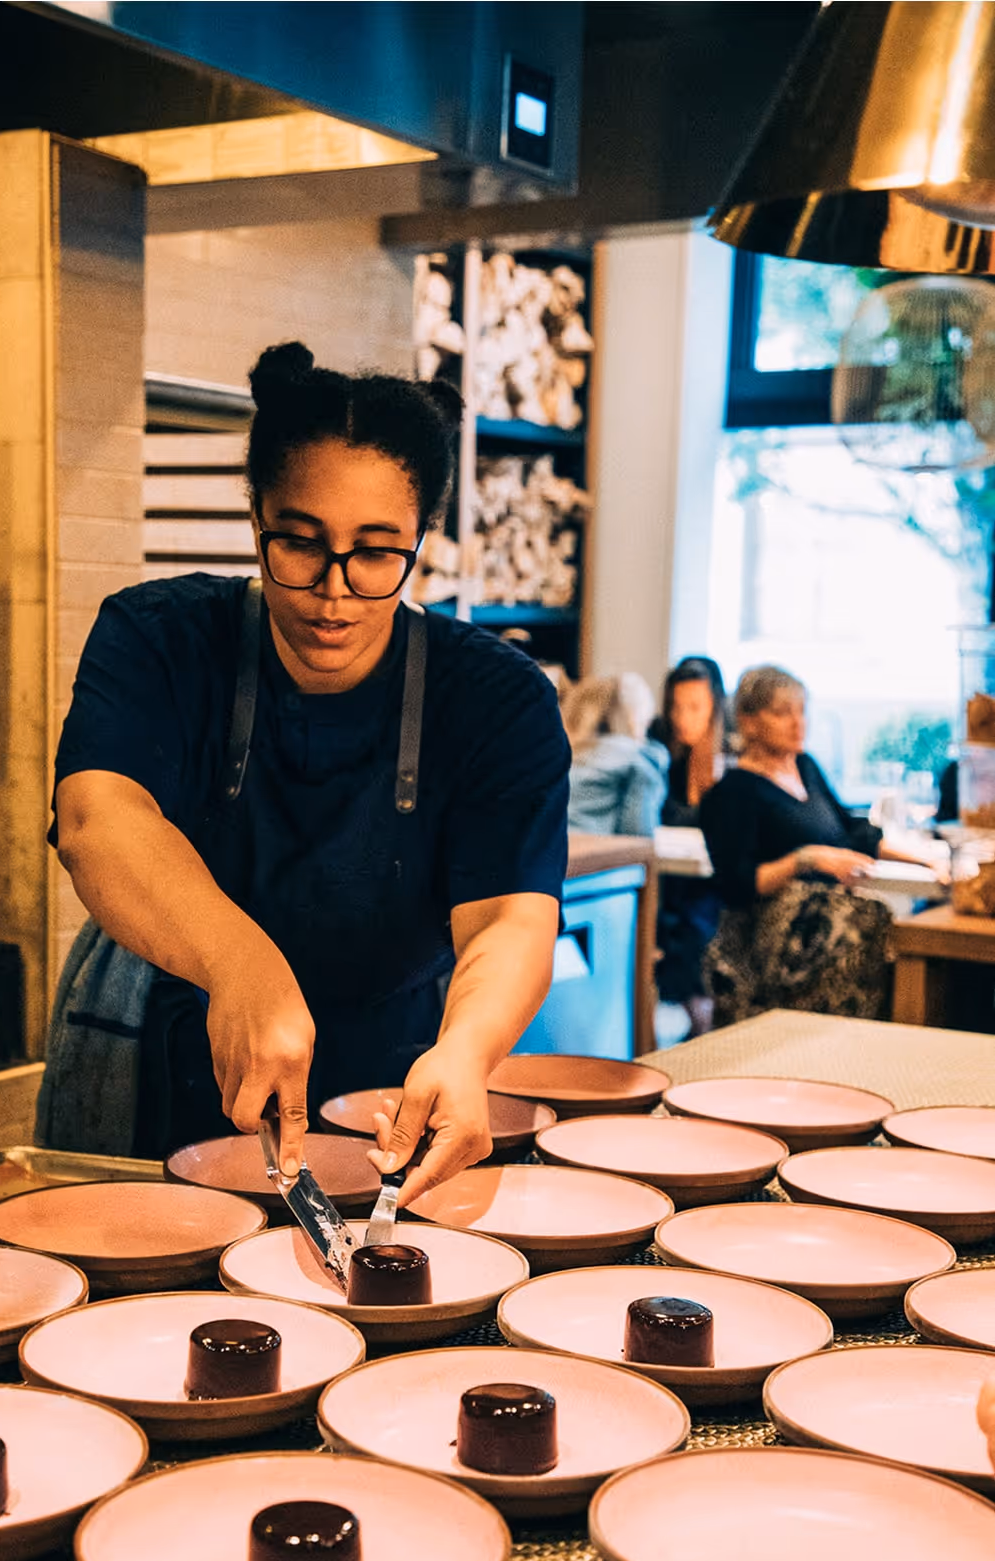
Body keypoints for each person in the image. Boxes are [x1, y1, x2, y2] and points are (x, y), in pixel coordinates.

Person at [40, 341, 571, 1205]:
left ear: (419, 543)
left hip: (395, 1083)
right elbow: (99, 820)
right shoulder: (158, 637)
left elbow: (510, 918)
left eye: (374, 553)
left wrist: (467, 1049)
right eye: (299, 544)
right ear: (257, 520)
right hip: (173, 1057)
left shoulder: (493, 696)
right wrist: (241, 963)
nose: (333, 593)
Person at [699, 665, 937, 1027]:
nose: (799, 723)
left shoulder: (805, 767)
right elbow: (737, 884)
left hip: (830, 919)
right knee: (869, 928)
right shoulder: (732, 793)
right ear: (748, 722)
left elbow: (852, 831)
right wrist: (806, 859)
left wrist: (926, 857)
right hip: (774, 941)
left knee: (916, 926)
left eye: (801, 710)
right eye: (782, 713)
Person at [650, 656, 728, 1037]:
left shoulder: (730, 766)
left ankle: (701, 1029)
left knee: (693, 925)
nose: (683, 718)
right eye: (676, 707)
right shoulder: (663, 758)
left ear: (716, 708)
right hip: (672, 883)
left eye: (695, 707)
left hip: (711, 888)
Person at [562, 672, 668, 837]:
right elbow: (639, 838)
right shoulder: (638, 760)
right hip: (597, 859)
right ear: (634, 720)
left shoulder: (557, 759)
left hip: (546, 858)